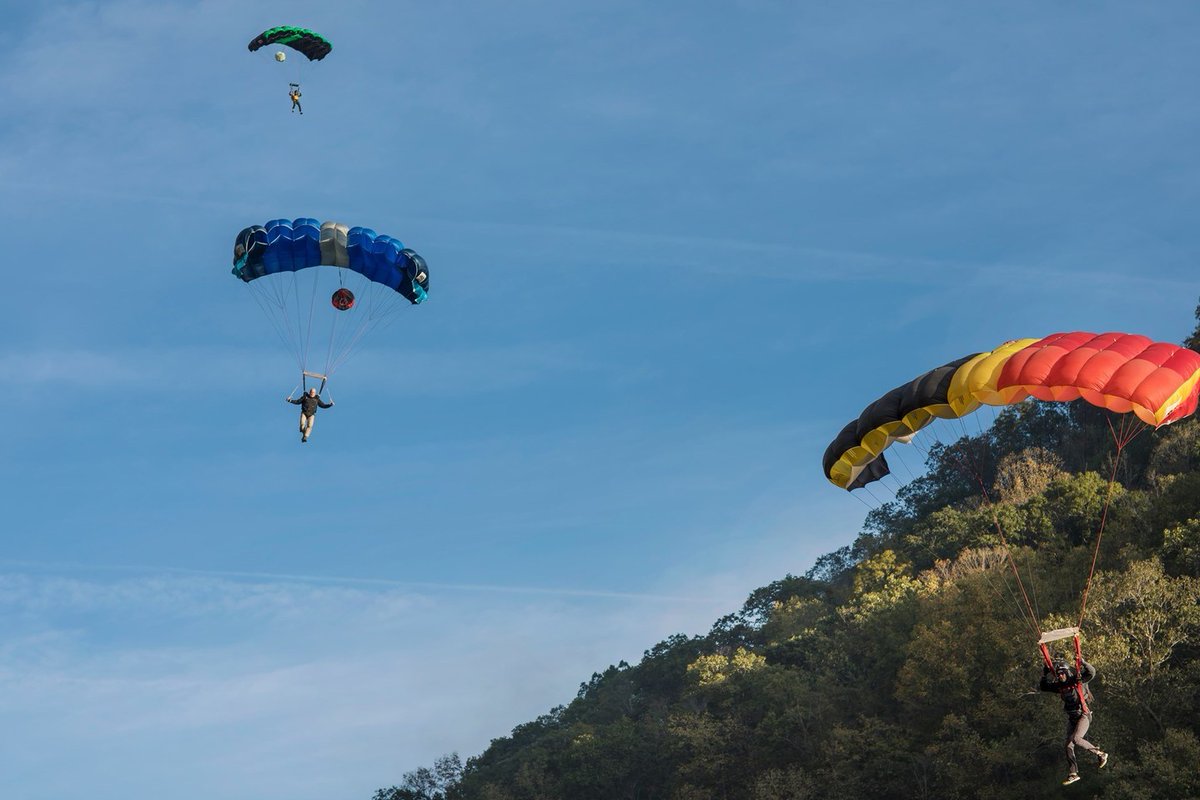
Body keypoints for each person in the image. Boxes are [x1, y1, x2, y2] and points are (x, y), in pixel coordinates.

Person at [1040, 658, 1108, 784]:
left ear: (1067, 672)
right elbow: (1043, 687)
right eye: (1058, 673)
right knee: (1068, 745)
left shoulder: (1077, 681)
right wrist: (1045, 673)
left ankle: (1100, 753)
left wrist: (1083, 662)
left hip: (1084, 715)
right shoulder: (1060, 685)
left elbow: (1091, 673)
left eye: (1062, 673)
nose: (1060, 676)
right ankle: (1073, 773)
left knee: (1076, 739)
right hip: (1073, 718)